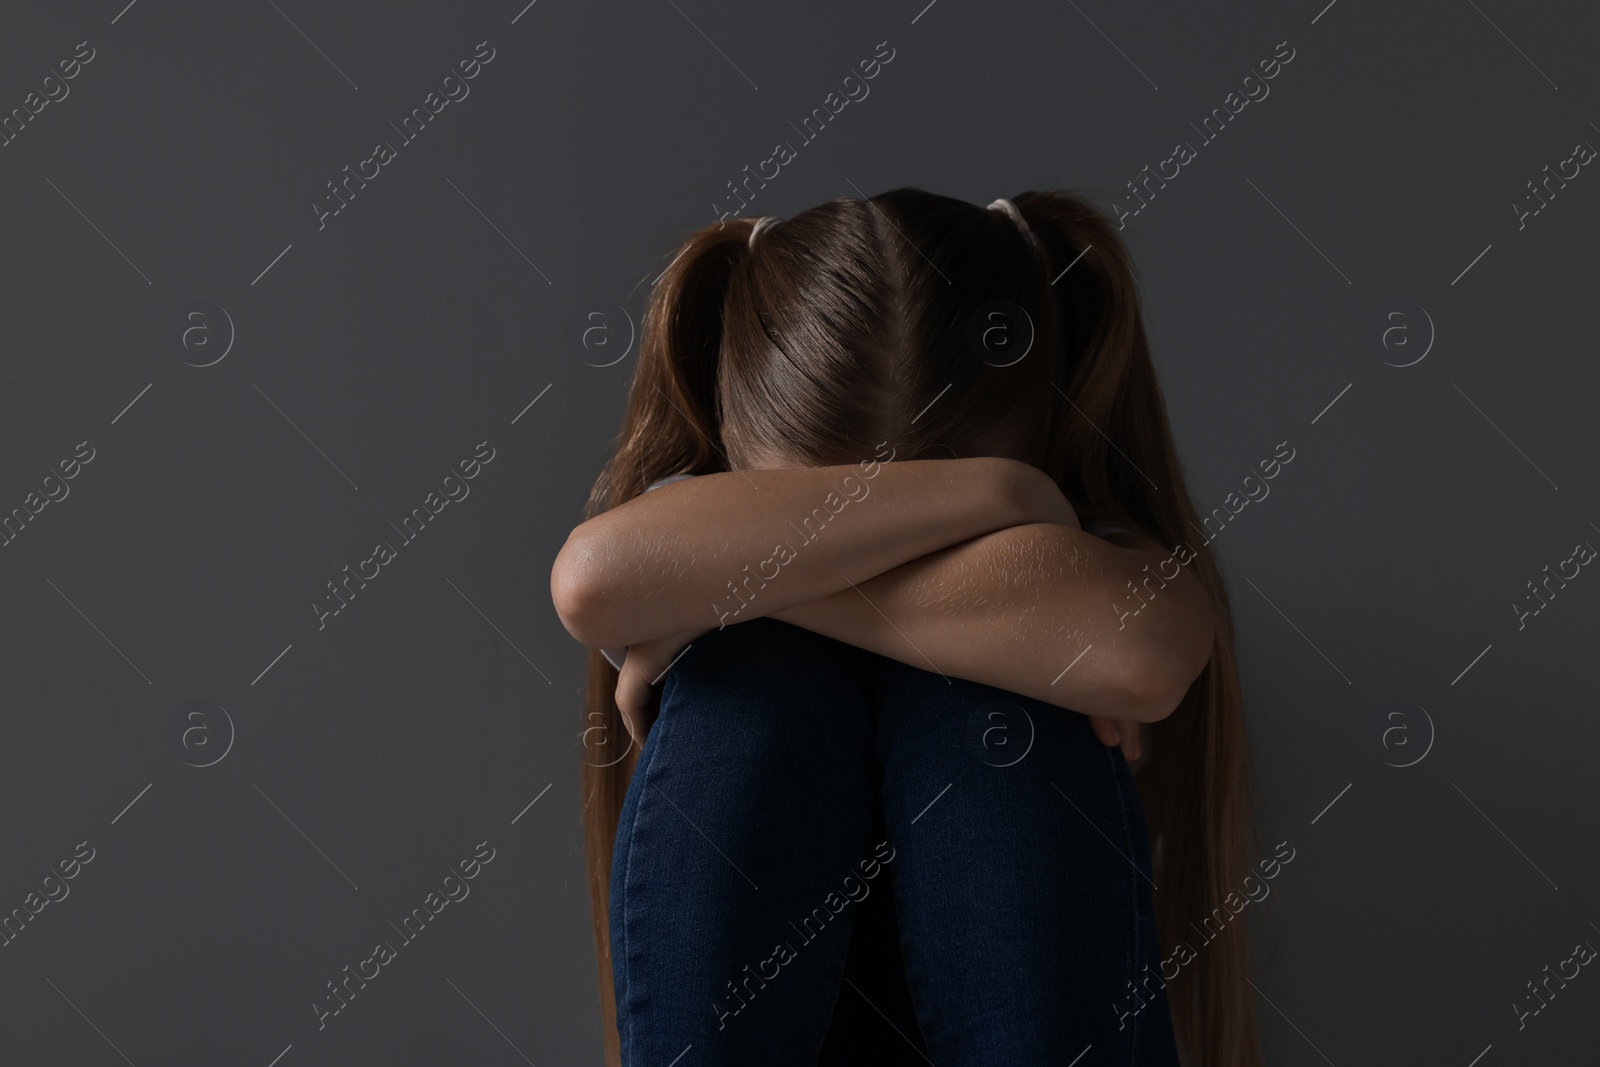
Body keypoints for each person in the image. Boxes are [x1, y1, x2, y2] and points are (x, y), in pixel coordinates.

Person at [551, 188, 1261, 1066]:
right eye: (816, 517)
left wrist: (757, 577)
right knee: (762, 677)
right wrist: (1004, 499)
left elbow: (1146, 657)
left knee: (983, 701)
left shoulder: (1104, 560)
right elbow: (592, 582)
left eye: (941, 517)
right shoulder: (1020, 501)